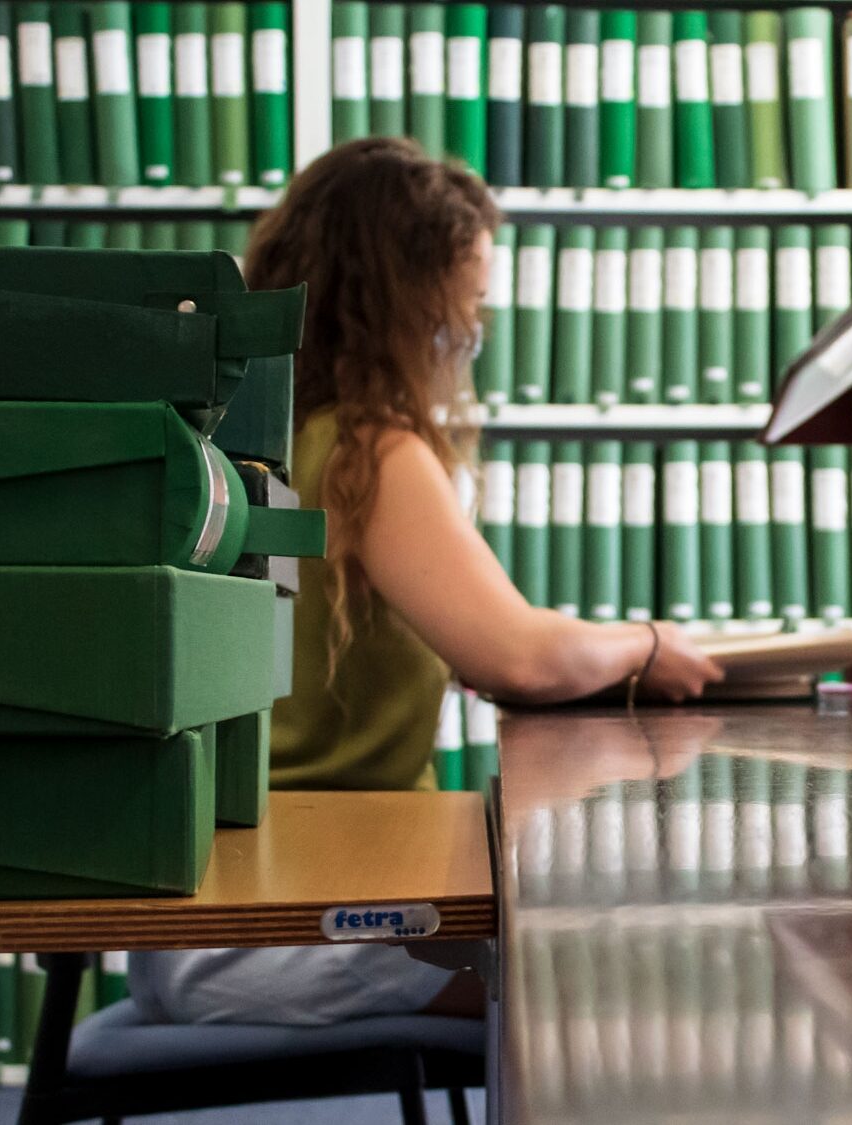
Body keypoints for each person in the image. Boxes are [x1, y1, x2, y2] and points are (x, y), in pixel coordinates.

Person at [130, 137, 723, 1027]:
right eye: (465, 304)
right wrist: (648, 644)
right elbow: (517, 654)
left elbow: (500, 635)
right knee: (617, 983)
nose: (468, 334)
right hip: (298, 924)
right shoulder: (370, 454)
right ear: (406, 300)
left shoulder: (267, 446)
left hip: (210, 915)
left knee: (593, 960)